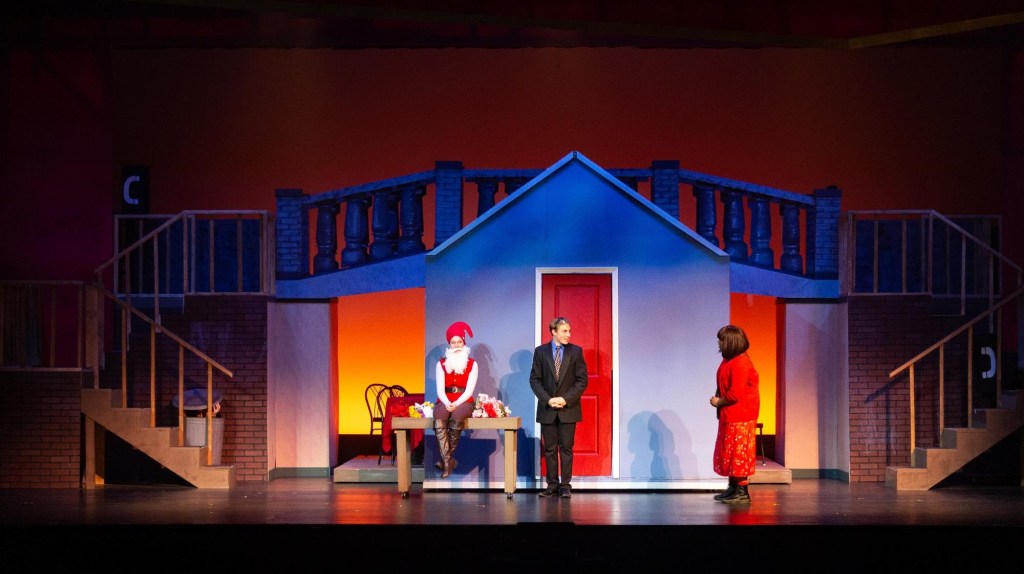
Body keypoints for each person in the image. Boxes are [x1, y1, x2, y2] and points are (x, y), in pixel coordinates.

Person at [529, 316, 588, 498]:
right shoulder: (541, 352)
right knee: (549, 449)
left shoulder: (575, 352)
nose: (568, 334)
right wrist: (548, 400)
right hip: (548, 409)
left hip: (568, 408)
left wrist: (565, 399)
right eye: (564, 331)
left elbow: (582, 380)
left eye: (569, 331)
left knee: (566, 448)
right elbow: (535, 380)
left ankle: (565, 486)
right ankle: (552, 485)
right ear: (553, 331)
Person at [709, 324, 760, 504]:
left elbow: (734, 394)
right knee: (729, 451)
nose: (719, 343)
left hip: (741, 415)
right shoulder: (728, 360)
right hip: (730, 414)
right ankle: (733, 488)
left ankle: (742, 491)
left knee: (739, 453)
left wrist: (718, 402)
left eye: (721, 340)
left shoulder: (741, 363)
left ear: (730, 341)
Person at [432, 321, 478, 478]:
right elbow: (439, 388)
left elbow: (470, 389)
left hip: (464, 400)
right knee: (439, 419)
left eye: (459, 342)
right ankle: (448, 461)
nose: (457, 346)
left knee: (457, 417)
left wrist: (456, 403)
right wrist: (447, 403)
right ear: (449, 344)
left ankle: (445, 461)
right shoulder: (441, 364)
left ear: (464, 342)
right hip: (444, 399)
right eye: (453, 342)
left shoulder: (472, 364)